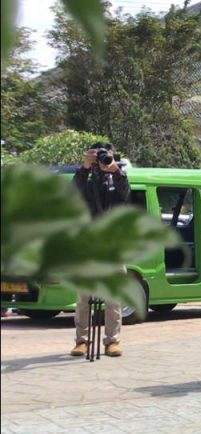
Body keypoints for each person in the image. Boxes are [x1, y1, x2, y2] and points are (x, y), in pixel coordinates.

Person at [69, 142, 130, 358]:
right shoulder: (85, 177)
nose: (104, 160)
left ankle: (112, 341)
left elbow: (125, 195)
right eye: (100, 157)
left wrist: (115, 170)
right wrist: (85, 167)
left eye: (108, 156)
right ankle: (81, 341)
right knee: (83, 295)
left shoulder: (117, 175)